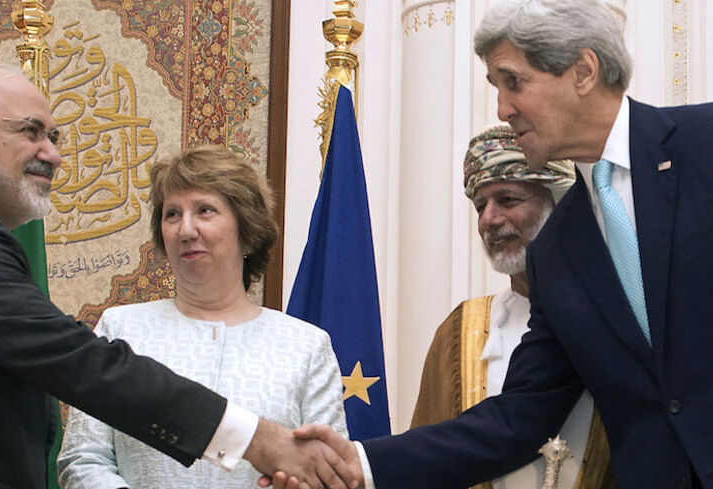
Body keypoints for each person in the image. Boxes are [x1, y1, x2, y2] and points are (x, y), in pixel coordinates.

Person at [0, 58, 358, 489]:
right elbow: (75, 363)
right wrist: (258, 440)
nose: (53, 154)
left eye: (55, 135)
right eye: (31, 132)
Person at [283, 0, 713, 487]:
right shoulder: (556, 252)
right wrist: (359, 462)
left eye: (514, 82)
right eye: (496, 88)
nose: (502, 109)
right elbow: (518, 418)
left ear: (584, 71)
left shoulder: (703, 145)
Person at [56, 145, 349, 488]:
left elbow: (332, 473)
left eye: (205, 211)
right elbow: (82, 459)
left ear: (248, 231)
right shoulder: (121, 329)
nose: (186, 230)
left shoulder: (306, 346)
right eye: (172, 215)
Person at [410, 125, 615, 489]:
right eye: (480, 206)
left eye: (507, 200)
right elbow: (426, 468)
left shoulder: (619, 315)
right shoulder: (459, 333)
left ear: (559, 203)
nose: (489, 219)